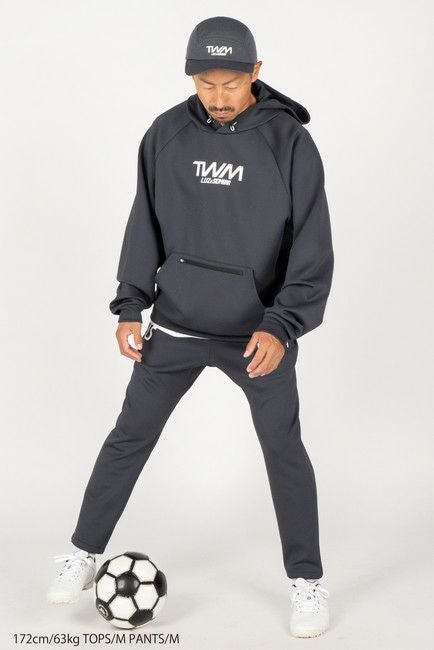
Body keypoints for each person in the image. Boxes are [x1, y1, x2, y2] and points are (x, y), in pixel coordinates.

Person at [47, 16, 334, 638]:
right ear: (190, 77)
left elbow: (312, 246)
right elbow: (143, 223)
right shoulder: (166, 134)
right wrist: (130, 305)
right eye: (206, 84)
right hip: (176, 326)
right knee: (129, 438)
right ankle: (82, 551)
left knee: (283, 451)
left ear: (256, 73)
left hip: (256, 336)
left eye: (231, 83)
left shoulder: (288, 142)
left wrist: (282, 326)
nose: (218, 97)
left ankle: (307, 581)